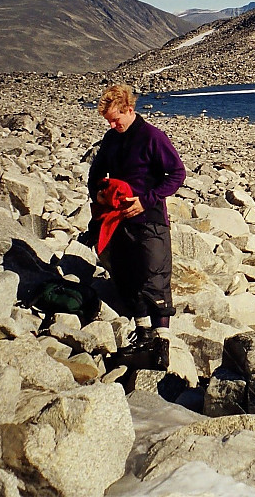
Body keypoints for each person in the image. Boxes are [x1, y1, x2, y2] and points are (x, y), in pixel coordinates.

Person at [87, 84, 186, 369]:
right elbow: (95, 174)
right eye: (108, 120)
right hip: (118, 219)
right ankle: (143, 336)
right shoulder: (110, 139)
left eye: (116, 118)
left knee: (155, 276)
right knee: (128, 277)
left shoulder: (153, 137)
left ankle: (161, 344)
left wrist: (146, 200)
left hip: (149, 217)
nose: (113, 124)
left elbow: (177, 174)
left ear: (130, 109)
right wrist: (99, 195)